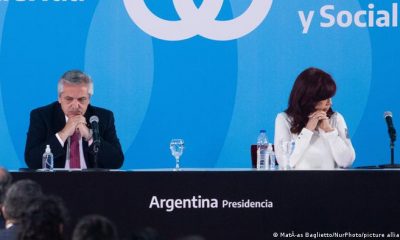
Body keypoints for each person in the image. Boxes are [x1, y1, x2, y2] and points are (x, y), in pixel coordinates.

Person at [24, 70, 124, 169]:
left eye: (81, 99)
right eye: (69, 99)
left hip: (93, 183)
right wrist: (63, 134)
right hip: (54, 182)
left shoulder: (103, 117)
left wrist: (90, 136)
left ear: (89, 99)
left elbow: (116, 162)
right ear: (59, 98)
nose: (75, 106)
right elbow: (32, 161)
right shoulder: (42, 116)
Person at [274, 67, 355, 169]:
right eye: (325, 99)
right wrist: (307, 131)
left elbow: (347, 161)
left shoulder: (336, 118)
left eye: (330, 97)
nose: (330, 103)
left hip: (332, 183)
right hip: (296, 183)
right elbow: (285, 163)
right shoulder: (284, 119)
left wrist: (329, 131)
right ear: (309, 99)